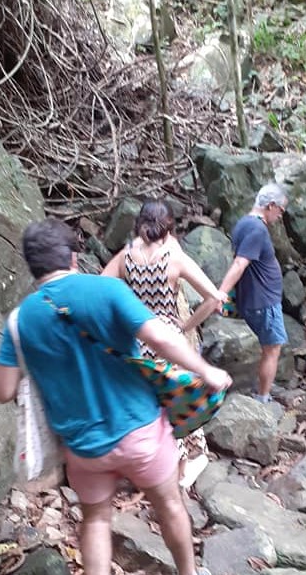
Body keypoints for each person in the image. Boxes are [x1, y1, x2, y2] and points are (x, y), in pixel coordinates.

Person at [0, 218, 231, 575]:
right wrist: (206, 371)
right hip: (140, 431)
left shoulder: (19, 320)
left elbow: (3, 390)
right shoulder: (106, 290)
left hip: (84, 447)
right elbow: (161, 338)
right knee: (169, 504)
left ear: (33, 267)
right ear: (73, 257)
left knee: (97, 520)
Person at [102, 199, 228, 488]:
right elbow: (214, 297)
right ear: (169, 227)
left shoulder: (125, 257)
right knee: (173, 401)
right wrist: (187, 325)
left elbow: (100, 286)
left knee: (143, 402)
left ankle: (139, 466)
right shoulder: (175, 257)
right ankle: (179, 469)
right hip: (168, 337)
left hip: (135, 336)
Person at [219, 182, 289, 404]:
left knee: (269, 348)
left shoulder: (243, 224)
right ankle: (262, 398)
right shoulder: (257, 229)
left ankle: (263, 387)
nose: (280, 215)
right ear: (271, 205)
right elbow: (240, 264)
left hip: (259, 297)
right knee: (272, 349)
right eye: (281, 210)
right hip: (263, 300)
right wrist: (221, 293)